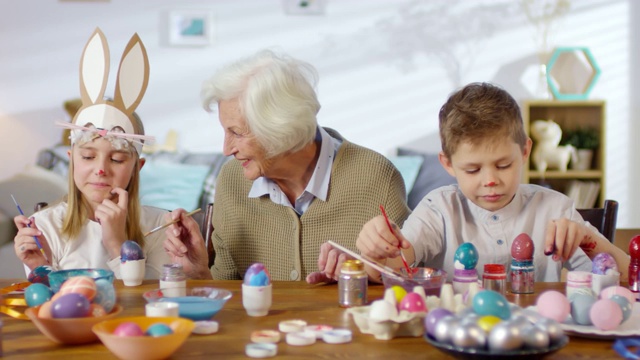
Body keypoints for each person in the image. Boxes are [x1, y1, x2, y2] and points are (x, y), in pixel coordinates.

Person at [163, 49, 411, 282]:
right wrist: (198, 271)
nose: (227, 149)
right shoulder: (232, 179)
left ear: (282, 130)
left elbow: (405, 285)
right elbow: (228, 296)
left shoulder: (377, 178)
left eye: (236, 133)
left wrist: (361, 275)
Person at [356, 82, 630, 283]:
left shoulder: (554, 208)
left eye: (503, 165)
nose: (490, 180)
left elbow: (627, 278)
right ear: (448, 164)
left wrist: (587, 238)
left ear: (524, 152)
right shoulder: (438, 209)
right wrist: (378, 253)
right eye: (473, 169)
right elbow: (390, 270)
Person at [13, 28, 170, 278]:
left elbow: (150, 301)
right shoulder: (45, 226)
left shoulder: (162, 225)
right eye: (87, 156)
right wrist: (38, 267)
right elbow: (51, 304)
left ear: (137, 167)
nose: (100, 169)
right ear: (71, 161)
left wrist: (117, 244)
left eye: (117, 159)